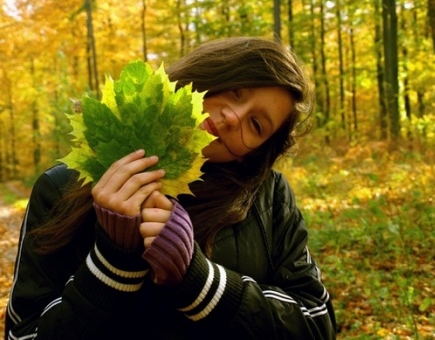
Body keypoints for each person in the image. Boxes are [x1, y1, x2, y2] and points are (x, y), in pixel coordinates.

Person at [5, 37, 336, 339]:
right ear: (210, 70)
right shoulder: (61, 186)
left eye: (256, 124)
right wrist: (113, 262)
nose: (234, 116)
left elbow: (316, 324)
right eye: (236, 91)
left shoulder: (268, 198)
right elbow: (24, 334)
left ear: (254, 152)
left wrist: (200, 282)